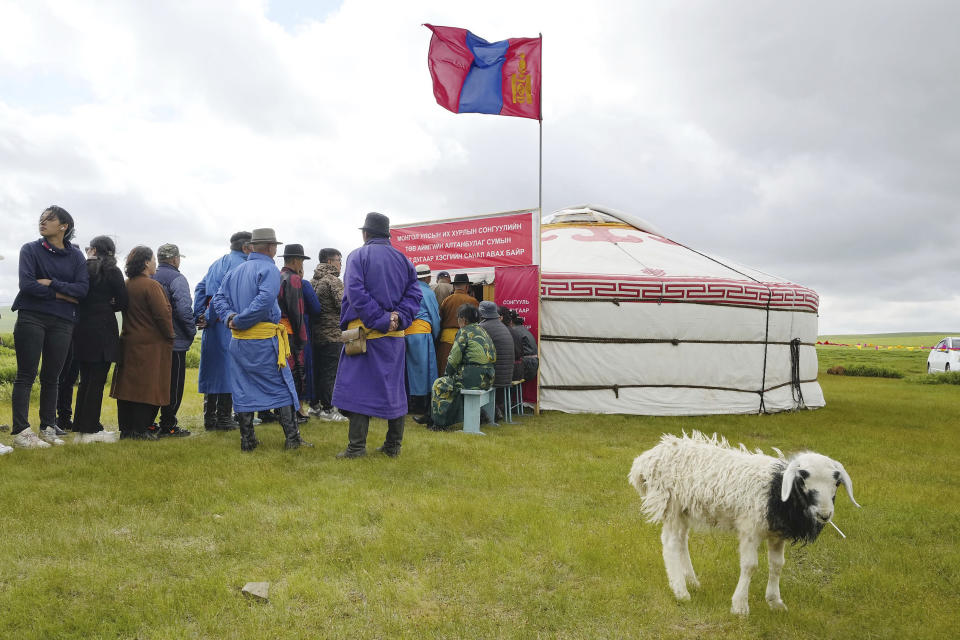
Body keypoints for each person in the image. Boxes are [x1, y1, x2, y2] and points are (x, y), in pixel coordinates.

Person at [212, 228, 311, 451]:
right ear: (270, 247)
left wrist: (230, 317)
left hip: (238, 342)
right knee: (282, 386)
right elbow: (266, 299)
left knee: (242, 388)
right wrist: (240, 320)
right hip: (263, 341)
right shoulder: (269, 269)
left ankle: (248, 440)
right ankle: (292, 439)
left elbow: (218, 298)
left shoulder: (236, 271)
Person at [332, 212, 421, 459]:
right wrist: (397, 319)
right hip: (394, 336)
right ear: (387, 234)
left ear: (365, 233)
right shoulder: (404, 260)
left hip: (365, 334)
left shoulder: (358, 256)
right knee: (395, 389)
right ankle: (393, 446)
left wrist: (381, 320)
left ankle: (356, 447)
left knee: (357, 388)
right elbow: (415, 296)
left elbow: (356, 293)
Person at [10, 205, 89, 448]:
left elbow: (82, 290)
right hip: (32, 317)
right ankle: (22, 431)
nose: (42, 222)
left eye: (49, 219)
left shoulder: (76, 256)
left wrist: (51, 283)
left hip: (63, 322)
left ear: (63, 226)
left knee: (52, 376)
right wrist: (63, 295)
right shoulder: (30, 249)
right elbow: (28, 286)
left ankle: (47, 426)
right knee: (26, 374)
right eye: (41, 219)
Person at [110, 246, 174, 439]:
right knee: (148, 387)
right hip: (151, 345)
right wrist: (170, 335)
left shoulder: (127, 283)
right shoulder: (151, 286)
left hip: (129, 341)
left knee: (127, 388)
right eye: (153, 259)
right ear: (146, 262)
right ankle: (141, 429)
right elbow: (162, 315)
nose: (155, 263)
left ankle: (127, 429)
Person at [72, 235, 127, 443]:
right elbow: (123, 301)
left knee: (85, 380)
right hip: (103, 329)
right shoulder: (112, 271)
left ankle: (80, 427)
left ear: (94, 250)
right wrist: (108, 304)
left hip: (81, 327)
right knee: (96, 381)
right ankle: (90, 430)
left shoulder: (81, 268)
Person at [194, 231, 251, 431]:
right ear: (245, 247)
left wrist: (199, 314)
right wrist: (209, 315)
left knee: (213, 370)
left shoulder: (217, 263)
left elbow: (201, 288)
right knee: (228, 369)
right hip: (228, 322)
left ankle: (210, 418)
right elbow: (222, 295)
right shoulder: (243, 266)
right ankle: (224, 418)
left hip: (212, 323)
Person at [420, 304, 496, 430]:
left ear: (463, 319)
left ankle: (438, 424)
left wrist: (447, 375)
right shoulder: (482, 330)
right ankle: (481, 416)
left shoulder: (464, 332)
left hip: (474, 377)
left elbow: (454, 358)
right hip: (488, 377)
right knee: (454, 384)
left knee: (440, 384)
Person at [150, 243, 196, 437]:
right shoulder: (177, 278)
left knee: (154, 383)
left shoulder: (150, 276)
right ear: (176, 259)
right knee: (174, 385)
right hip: (174, 342)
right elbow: (184, 309)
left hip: (152, 342)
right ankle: (169, 424)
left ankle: (149, 423)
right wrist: (192, 330)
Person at [309, 248, 347, 423]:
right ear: (330, 262)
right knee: (331, 373)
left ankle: (315, 406)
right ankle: (329, 409)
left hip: (314, 335)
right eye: (339, 260)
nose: (341, 264)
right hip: (332, 334)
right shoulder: (333, 280)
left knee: (317, 371)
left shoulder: (312, 281)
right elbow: (343, 305)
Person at [277, 243, 310, 423]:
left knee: (282, 371)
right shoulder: (294, 279)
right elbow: (297, 311)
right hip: (289, 331)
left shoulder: (278, 275)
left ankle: (283, 411)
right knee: (296, 371)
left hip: (277, 332)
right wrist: (301, 337)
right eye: (302, 261)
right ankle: (296, 411)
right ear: (297, 260)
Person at [405, 264, 441, 416]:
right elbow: (435, 317)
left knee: (408, 371)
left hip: (406, 334)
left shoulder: (406, 290)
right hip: (422, 335)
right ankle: (422, 406)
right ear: (428, 277)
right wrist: (435, 336)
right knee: (425, 371)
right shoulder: (428, 292)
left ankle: (408, 404)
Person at [478, 300, 515, 419]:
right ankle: (494, 409)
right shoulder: (503, 326)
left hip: (495, 376)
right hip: (507, 375)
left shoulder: (482, 327)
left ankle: (483, 412)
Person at [436, 273, 478, 374]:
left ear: (454, 286)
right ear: (467, 286)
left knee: (445, 369)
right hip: (466, 339)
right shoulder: (473, 301)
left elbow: (439, 319)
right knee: (463, 369)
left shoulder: (447, 300)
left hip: (447, 340)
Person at [499, 305, 525, 381]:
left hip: (510, 372)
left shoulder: (502, 332)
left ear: (501, 318)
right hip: (519, 369)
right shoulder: (515, 331)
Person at [513, 313, 540, 382]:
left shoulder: (515, 332)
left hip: (527, 365)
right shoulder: (525, 330)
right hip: (533, 364)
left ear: (511, 322)